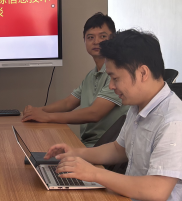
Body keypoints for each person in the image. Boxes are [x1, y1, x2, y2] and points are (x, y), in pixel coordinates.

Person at [43, 30, 182, 201]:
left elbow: (157, 191)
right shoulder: (139, 107)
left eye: (115, 78)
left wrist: (94, 173)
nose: (111, 86)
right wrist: (76, 153)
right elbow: (118, 149)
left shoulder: (175, 123)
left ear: (142, 73)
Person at [22, 12, 128, 147]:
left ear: (113, 39)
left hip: (106, 147)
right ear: (84, 41)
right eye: (90, 37)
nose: (96, 42)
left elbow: (95, 113)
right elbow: (68, 103)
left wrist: (46, 116)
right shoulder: (91, 75)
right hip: (87, 144)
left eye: (102, 36)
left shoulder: (117, 74)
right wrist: (38, 111)